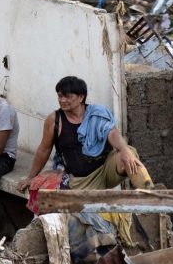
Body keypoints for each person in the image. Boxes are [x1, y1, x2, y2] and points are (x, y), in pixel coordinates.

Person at [17, 76, 153, 193]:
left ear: (81, 97)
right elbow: (44, 149)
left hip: (105, 172)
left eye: (68, 96)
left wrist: (124, 150)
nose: (62, 100)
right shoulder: (54, 120)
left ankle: (151, 192)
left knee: (129, 153)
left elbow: (112, 133)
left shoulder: (97, 114)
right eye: (60, 96)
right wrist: (30, 177)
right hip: (78, 182)